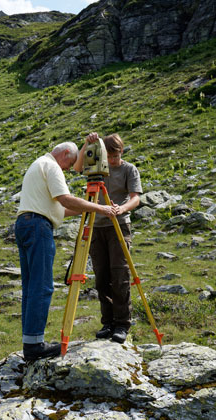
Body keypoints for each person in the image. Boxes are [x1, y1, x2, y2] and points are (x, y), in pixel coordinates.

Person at [15, 141, 117, 361]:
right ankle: (35, 346)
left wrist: (87, 208)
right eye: (69, 164)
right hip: (37, 226)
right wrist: (100, 208)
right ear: (64, 155)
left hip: (25, 223)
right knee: (41, 286)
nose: (69, 169)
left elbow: (60, 208)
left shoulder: (39, 164)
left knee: (31, 287)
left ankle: (30, 342)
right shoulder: (51, 166)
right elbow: (65, 199)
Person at [74, 133, 142, 344]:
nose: (113, 160)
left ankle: (122, 324)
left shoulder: (129, 169)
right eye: (109, 156)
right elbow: (77, 168)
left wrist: (121, 209)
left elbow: (136, 198)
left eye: (116, 155)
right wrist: (87, 143)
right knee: (101, 277)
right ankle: (108, 322)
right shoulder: (96, 167)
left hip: (119, 225)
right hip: (96, 226)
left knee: (119, 275)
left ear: (122, 152)